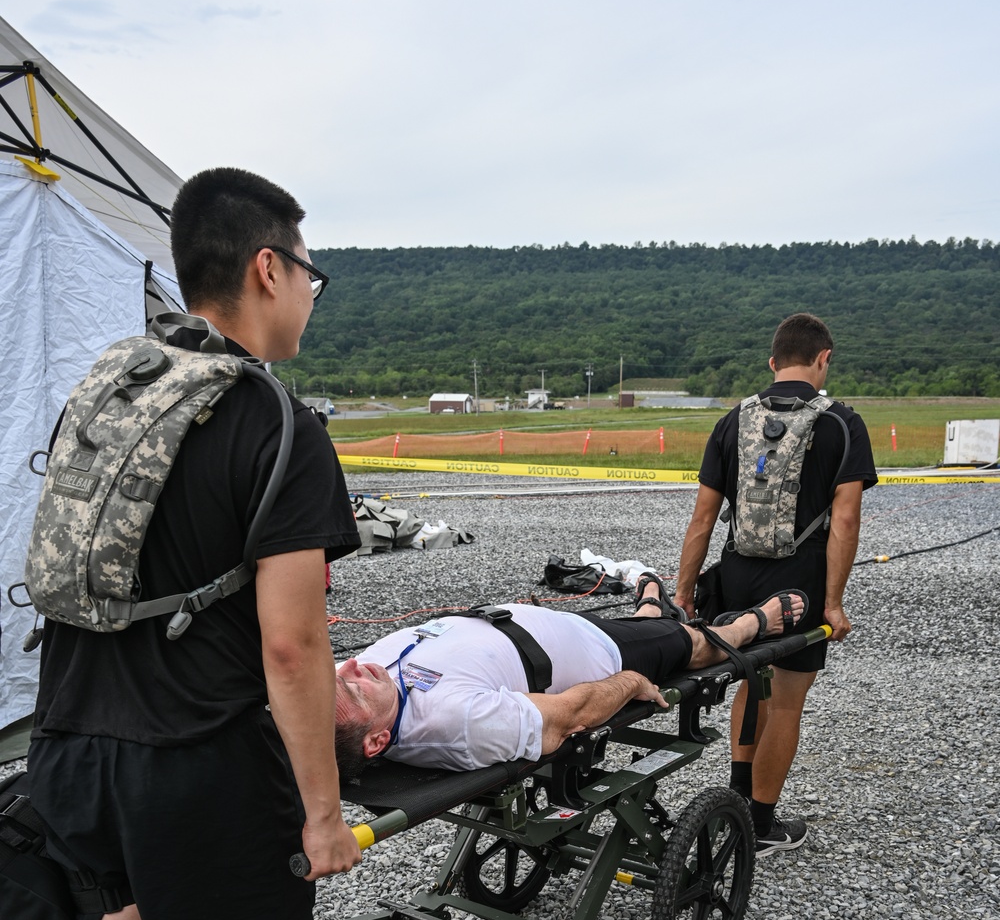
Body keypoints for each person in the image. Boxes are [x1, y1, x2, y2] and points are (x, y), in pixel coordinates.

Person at [25, 168, 381, 920]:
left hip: (72, 745)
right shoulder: (276, 423)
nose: (311, 299)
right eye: (309, 274)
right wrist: (323, 815)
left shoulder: (110, 388)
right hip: (202, 759)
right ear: (269, 269)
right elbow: (291, 644)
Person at [672, 312, 877, 856]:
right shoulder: (841, 423)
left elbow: (702, 518)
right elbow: (847, 521)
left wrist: (684, 592)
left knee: (749, 681)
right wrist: (833, 604)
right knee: (786, 702)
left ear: (772, 361)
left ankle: (737, 805)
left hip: (738, 570)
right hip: (800, 580)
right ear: (823, 359)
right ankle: (759, 824)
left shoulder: (733, 420)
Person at [332, 579, 809, 777]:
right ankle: (752, 624)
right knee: (689, 645)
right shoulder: (453, 721)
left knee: (651, 625)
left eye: (340, 673)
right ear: (375, 743)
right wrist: (627, 682)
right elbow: (567, 718)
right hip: (600, 653)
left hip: (543, 630)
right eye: (355, 687)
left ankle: (648, 608)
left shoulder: (339, 699)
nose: (353, 666)